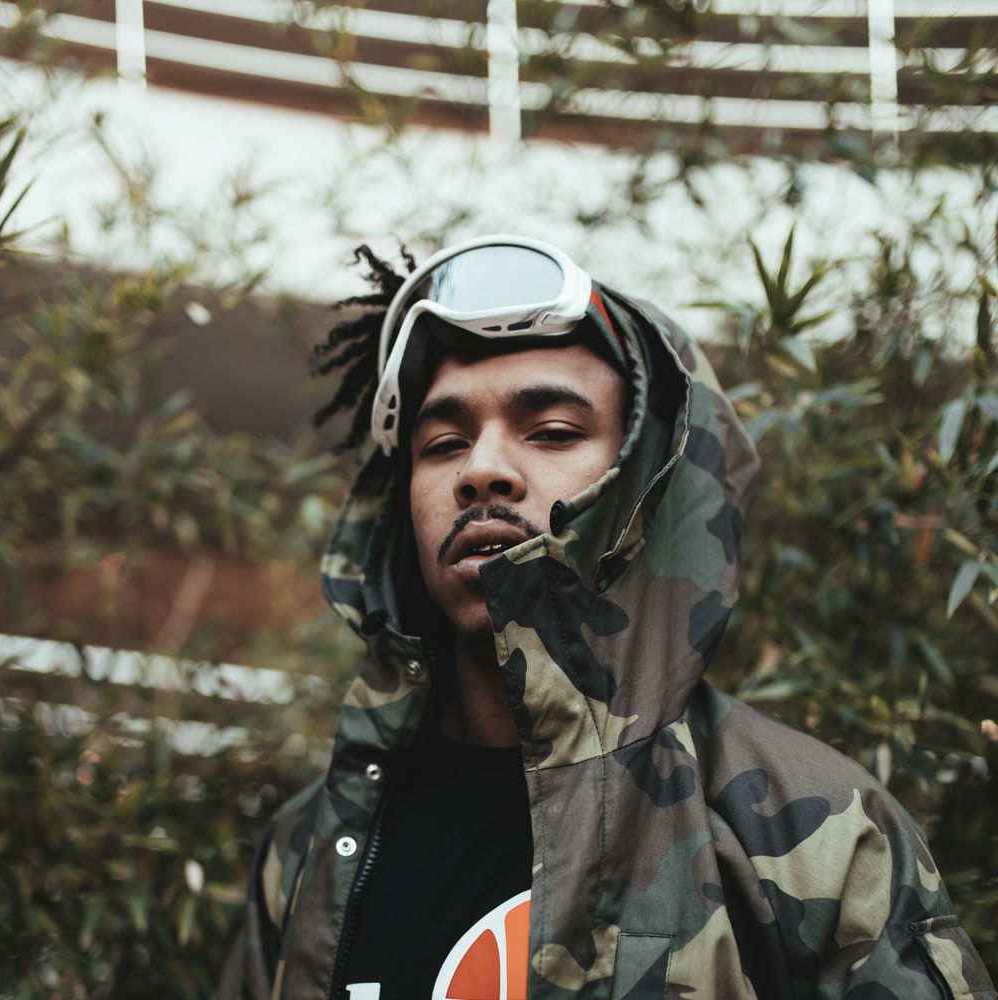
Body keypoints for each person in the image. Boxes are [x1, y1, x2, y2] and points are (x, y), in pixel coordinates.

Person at [220, 235, 995, 1000]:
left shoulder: (815, 836)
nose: (482, 469)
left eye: (553, 431)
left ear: (646, 485)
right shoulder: (311, 847)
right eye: (444, 442)